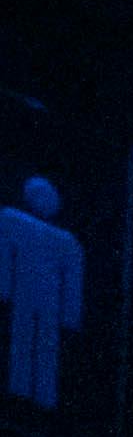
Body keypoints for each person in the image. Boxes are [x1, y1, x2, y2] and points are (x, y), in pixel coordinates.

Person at [1, 173, 79, 412]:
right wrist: (4, 288)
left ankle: (42, 397)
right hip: (27, 290)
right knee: (23, 338)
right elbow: (4, 255)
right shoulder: (13, 219)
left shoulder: (65, 239)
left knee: (45, 344)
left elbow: (73, 277)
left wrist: (70, 315)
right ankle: (20, 391)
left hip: (48, 297)